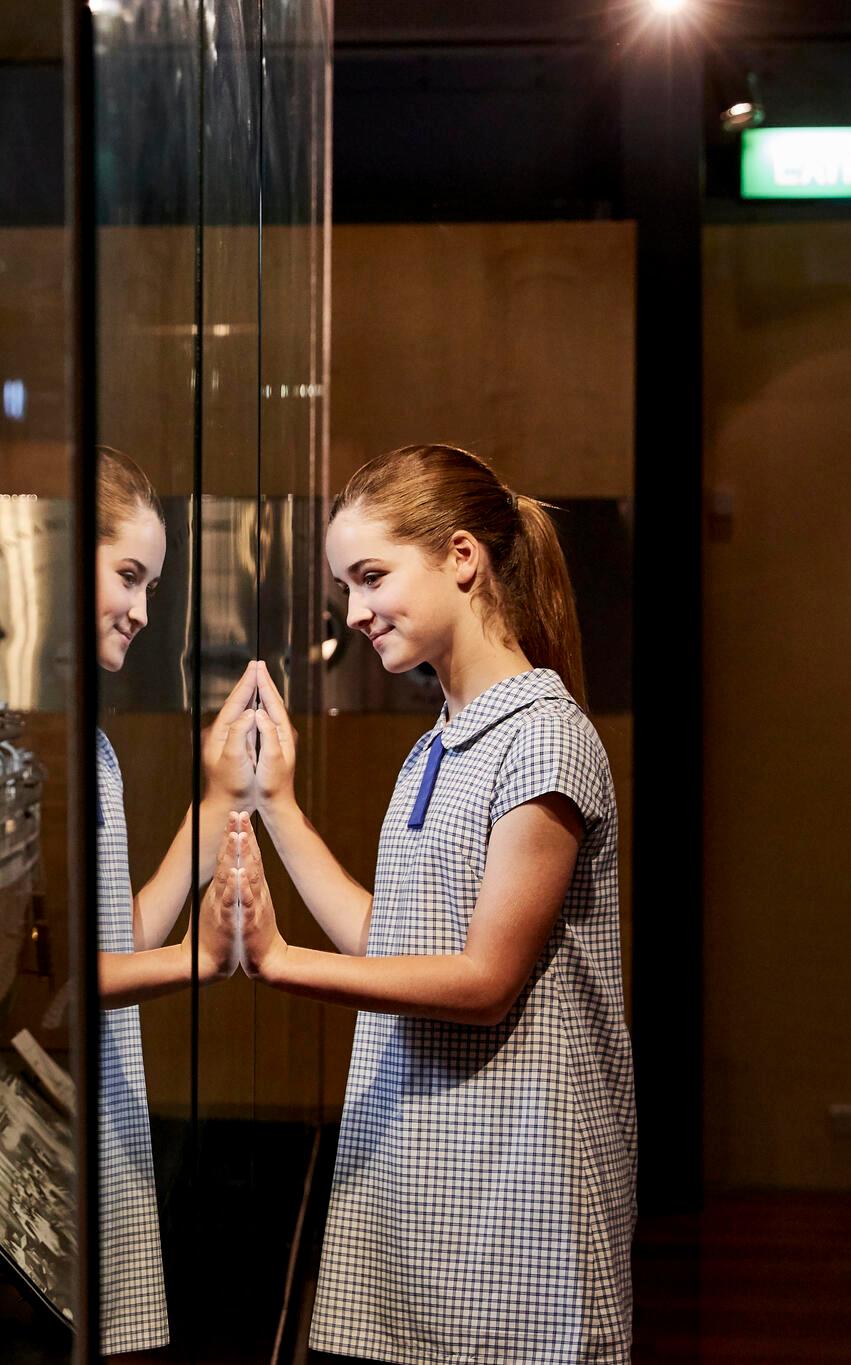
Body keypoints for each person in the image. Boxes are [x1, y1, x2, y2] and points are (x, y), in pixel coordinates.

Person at [215, 444, 635, 1364]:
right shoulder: (443, 740)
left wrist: (279, 960)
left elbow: (484, 981)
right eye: (347, 584)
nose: (355, 611)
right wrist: (275, 804)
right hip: (432, 1179)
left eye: (372, 577)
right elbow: (397, 940)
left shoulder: (543, 740)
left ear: (460, 556)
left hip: (518, 1195)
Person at [89, 444, 258, 1355]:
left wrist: (223, 800)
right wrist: (203, 957)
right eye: (128, 574)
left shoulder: (100, 749)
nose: (145, 610)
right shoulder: (62, 743)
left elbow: (123, 934)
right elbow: (72, 976)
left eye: (151, 583)